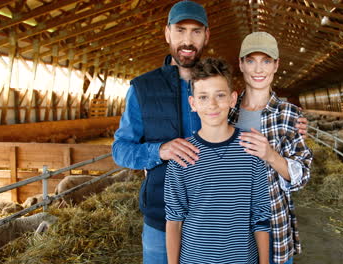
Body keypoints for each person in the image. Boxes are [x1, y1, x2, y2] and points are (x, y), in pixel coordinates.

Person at [112, 1, 308, 263]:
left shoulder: (222, 93)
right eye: (180, 30)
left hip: (228, 226)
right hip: (163, 218)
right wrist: (159, 150)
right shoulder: (142, 89)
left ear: (207, 35)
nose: (187, 40)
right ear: (167, 33)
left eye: (196, 32)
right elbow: (120, 149)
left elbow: (257, 112)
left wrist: (289, 125)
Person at [165, 57, 270, 264]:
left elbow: (260, 216)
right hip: (194, 259)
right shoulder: (181, 156)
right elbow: (174, 220)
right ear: (193, 103)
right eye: (203, 97)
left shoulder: (251, 150)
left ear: (232, 99)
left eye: (220, 95)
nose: (212, 104)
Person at [229, 32, 313, 264]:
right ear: (241, 64)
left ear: (276, 65)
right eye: (251, 60)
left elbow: (302, 176)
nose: (259, 69)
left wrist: (271, 155)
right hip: (232, 228)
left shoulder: (290, 114)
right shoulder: (227, 111)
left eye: (266, 61)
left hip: (274, 224)